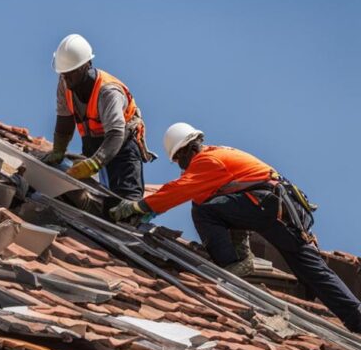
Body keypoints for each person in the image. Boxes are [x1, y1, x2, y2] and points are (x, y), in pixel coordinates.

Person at [111, 123, 361, 332]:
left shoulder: (207, 160)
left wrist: (139, 207)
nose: (182, 166)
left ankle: (232, 262)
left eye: (179, 161)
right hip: (278, 212)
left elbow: (180, 189)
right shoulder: (218, 156)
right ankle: (356, 319)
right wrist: (150, 208)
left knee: (203, 209)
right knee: (311, 272)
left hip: (267, 207)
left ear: (186, 151)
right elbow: (193, 191)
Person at [42, 34, 155, 206]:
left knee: (124, 201)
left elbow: (116, 133)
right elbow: (64, 119)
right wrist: (58, 150)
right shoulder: (64, 83)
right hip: (93, 143)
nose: (66, 78)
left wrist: (93, 164)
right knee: (88, 196)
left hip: (121, 146)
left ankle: (127, 228)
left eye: (70, 73)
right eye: (63, 73)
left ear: (86, 66)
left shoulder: (107, 92)